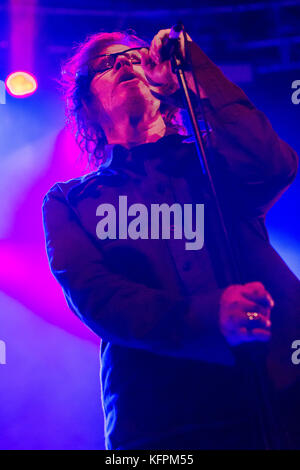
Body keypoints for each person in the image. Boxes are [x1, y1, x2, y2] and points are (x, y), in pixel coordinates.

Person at [42, 28, 300, 450]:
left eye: (134, 55)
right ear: (87, 104)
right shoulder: (70, 201)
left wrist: (194, 78)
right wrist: (208, 314)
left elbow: (274, 166)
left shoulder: (214, 155)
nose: (126, 63)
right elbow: (100, 300)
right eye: (108, 64)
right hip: (160, 421)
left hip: (275, 399)